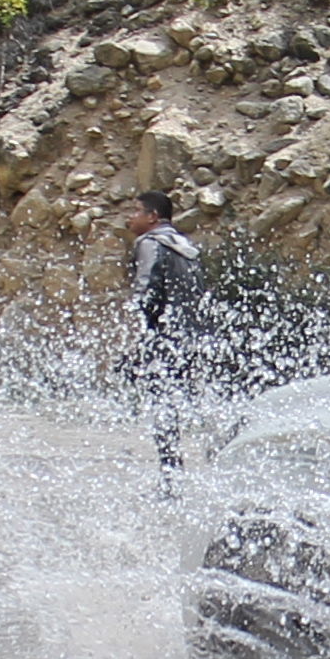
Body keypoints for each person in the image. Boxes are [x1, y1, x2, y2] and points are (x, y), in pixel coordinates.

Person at [125, 190, 205, 484]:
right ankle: (176, 467)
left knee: (161, 401)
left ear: (153, 217)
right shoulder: (186, 245)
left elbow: (145, 290)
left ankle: (170, 471)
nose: (129, 218)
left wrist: (137, 336)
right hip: (190, 336)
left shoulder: (149, 242)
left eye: (135, 211)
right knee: (179, 400)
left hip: (164, 336)